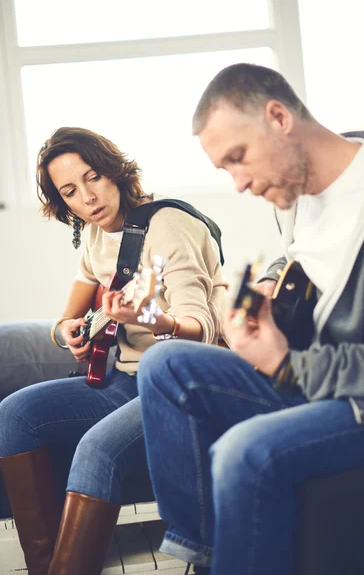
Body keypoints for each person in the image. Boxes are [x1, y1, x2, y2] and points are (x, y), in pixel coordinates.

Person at [137, 63, 364, 575]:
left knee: (243, 452)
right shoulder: (298, 189)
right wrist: (268, 285)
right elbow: (311, 256)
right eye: (224, 169)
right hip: (315, 374)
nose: (237, 184)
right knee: (165, 366)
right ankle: (211, 558)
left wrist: (284, 364)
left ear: (278, 117)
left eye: (238, 159)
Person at [0, 126, 228, 575]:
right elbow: (67, 320)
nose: (88, 196)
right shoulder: (93, 234)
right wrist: (71, 334)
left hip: (178, 383)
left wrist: (146, 318)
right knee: (13, 414)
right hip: (123, 378)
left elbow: (199, 330)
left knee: (97, 449)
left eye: (93, 178)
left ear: (113, 171)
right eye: (70, 191)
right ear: (62, 203)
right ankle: (44, 564)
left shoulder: (170, 227)